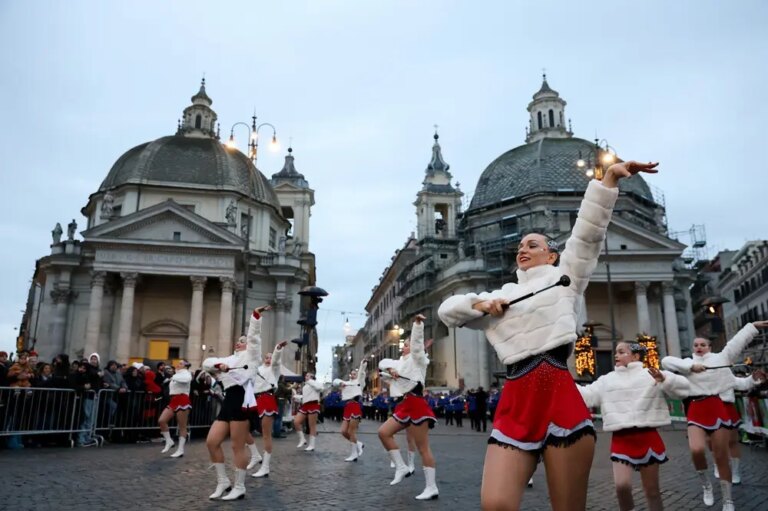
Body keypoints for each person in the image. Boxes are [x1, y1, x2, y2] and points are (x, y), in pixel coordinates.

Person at [438, 160, 659, 511]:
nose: (523, 249)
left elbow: (588, 234)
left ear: (552, 255)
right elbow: (447, 311)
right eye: (520, 246)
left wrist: (608, 180)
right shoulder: (503, 295)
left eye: (533, 244)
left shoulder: (565, 279)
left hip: (560, 399)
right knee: (495, 503)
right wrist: (480, 304)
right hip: (516, 403)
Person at [662, 323, 767, 511]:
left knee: (720, 455)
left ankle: (728, 499)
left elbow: (737, 354)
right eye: (696, 345)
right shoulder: (686, 364)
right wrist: (692, 366)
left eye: (703, 344)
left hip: (717, 407)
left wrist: (753, 379)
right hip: (696, 408)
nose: (699, 347)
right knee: (696, 449)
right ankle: (706, 485)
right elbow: (666, 361)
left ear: (710, 347)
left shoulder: (721, 359)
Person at [578, 342, 689, 511]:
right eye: (615, 352)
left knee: (652, 491)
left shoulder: (651, 374)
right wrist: (565, 383)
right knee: (621, 487)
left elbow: (683, 388)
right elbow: (587, 395)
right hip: (622, 439)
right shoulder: (607, 379)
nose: (616, 355)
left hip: (648, 437)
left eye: (621, 352)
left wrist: (664, 379)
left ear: (636, 356)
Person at [201, 305, 271, 501]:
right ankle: (223, 481)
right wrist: (219, 366)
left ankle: (239, 486)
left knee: (237, 446)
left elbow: (254, 338)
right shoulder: (229, 358)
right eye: (238, 341)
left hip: (242, 399)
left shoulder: (252, 356)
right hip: (228, 400)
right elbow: (207, 363)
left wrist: (255, 317)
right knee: (212, 442)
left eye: (243, 341)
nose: (239, 343)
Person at [377, 314, 439, 501]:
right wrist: (390, 373)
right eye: (403, 344)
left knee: (423, 449)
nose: (404, 346)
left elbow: (418, 344)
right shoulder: (401, 364)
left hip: (417, 405)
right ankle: (402, 467)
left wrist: (418, 324)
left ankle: (431, 487)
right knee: (383, 432)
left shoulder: (419, 359)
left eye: (407, 344)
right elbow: (384, 368)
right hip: (404, 404)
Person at [249, 333, 288, 478]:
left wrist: (278, 349)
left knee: (266, 435)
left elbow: (277, 361)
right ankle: (255, 455)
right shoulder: (257, 369)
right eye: (266, 357)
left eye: (270, 357)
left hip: (267, 399)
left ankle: (265, 466)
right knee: (243, 429)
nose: (268, 359)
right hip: (254, 400)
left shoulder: (274, 369)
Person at [333, 360, 368, 462]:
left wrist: (362, 364)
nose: (353, 375)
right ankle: (358, 444)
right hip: (347, 407)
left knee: (351, 431)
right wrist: (341, 383)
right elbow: (335, 381)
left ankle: (354, 454)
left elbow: (361, 373)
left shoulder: (359, 383)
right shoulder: (345, 383)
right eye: (352, 374)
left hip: (355, 406)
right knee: (343, 431)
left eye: (355, 374)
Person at [157, 360, 193, 458]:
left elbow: (185, 380)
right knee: (162, 420)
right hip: (173, 400)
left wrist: (172, 376)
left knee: (182, 426)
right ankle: (169, 441)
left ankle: (180, 449)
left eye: (181, 363)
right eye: (178, 363)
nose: (178, 364)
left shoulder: (186, 374)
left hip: (182, 399)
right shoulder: (176, 375)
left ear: (186, 366)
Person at [293, 372, 327, 452]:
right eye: (306, 376)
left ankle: (312, 445)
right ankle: (302, 439)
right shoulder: (305, 386)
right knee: (296, 422)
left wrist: (310, 381)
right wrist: (297, 397)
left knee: (312, 425)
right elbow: (305, 397)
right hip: (305, 405)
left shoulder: (315, 383)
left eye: (308, 376)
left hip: (313, 404)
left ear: (312, 377)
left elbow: (320, 388)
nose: (306, 377)